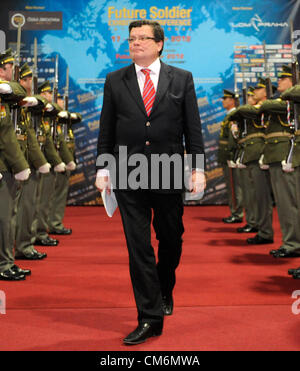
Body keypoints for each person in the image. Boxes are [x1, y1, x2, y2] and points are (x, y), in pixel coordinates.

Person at [95, 19, 206, 345]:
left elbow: (193, 129)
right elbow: (106, 129)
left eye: (143, 38)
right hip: (128, 171)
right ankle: (149, 317)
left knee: (171, 238)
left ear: (160, 44)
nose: (136, 43)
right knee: (138, 246)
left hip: (168, 169)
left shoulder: (181, 78)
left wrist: (197, 168)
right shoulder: (115, 80)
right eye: (131, 39)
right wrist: (104, 169)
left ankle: (164, 286)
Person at [0, 49, 31, 280]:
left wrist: (8, 87)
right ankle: (4, 264)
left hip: (8, 166)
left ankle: (6, 262)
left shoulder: (7, 93)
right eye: (10, 68)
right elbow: (5, 134)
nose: (13, 72)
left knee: (9, 217)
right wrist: (20, 164)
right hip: (5, 166)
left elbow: (19, 89)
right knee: (5, 218)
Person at [218, 89, 243, 224]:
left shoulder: (234, 115)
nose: (223, 101)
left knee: (234, 186)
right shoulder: (229, 115)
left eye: (226, 99)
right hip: (226, 154)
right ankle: (235, 211)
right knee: (231, 185)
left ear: (232, 100)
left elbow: (234, 138)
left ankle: (237, 213)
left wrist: (232, 155)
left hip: (230, 155)